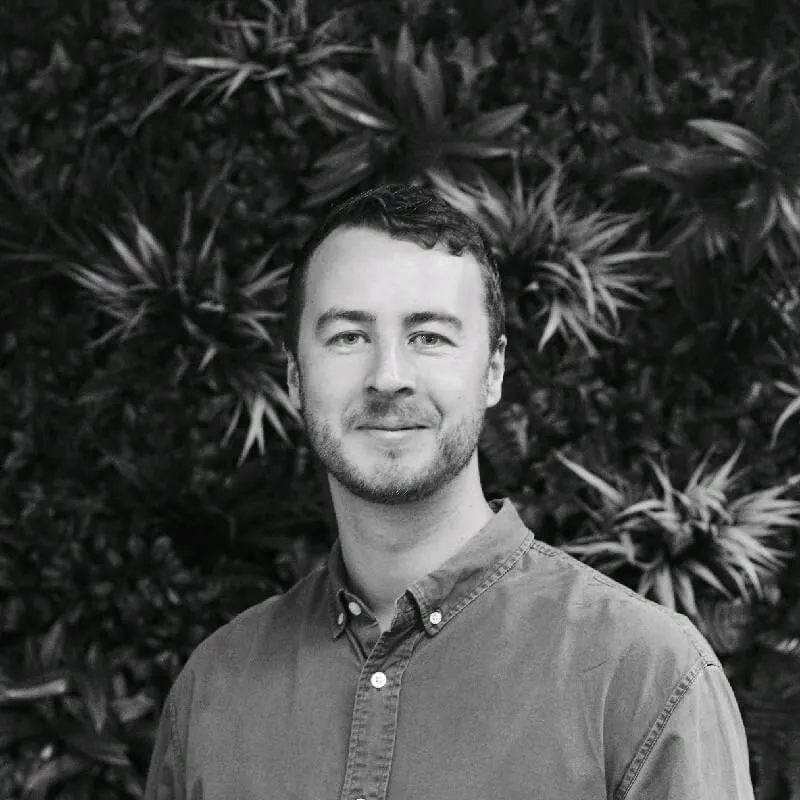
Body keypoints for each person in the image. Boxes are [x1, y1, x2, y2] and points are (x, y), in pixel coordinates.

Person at [143, 184, 755, 799]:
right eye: (349, 336)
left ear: (492, 370)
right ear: (296, 376)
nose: (388, 376)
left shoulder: (643, 674)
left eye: (429, 336)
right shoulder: (213, 689)